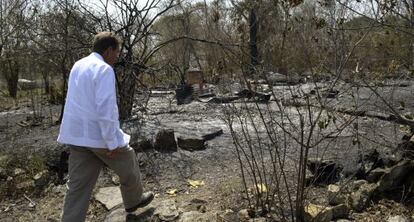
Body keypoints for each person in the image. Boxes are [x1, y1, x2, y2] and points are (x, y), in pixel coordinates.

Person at [57, 32, 154, 222]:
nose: (117, 57)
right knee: (128, 160)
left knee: (77, 186)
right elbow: (106, 108)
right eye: (117, 52)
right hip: (97, 136)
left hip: (76, 135)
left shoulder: (78, 65)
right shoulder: (104, 69)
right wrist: (112, 143)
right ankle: (134, 200)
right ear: (108, 50)